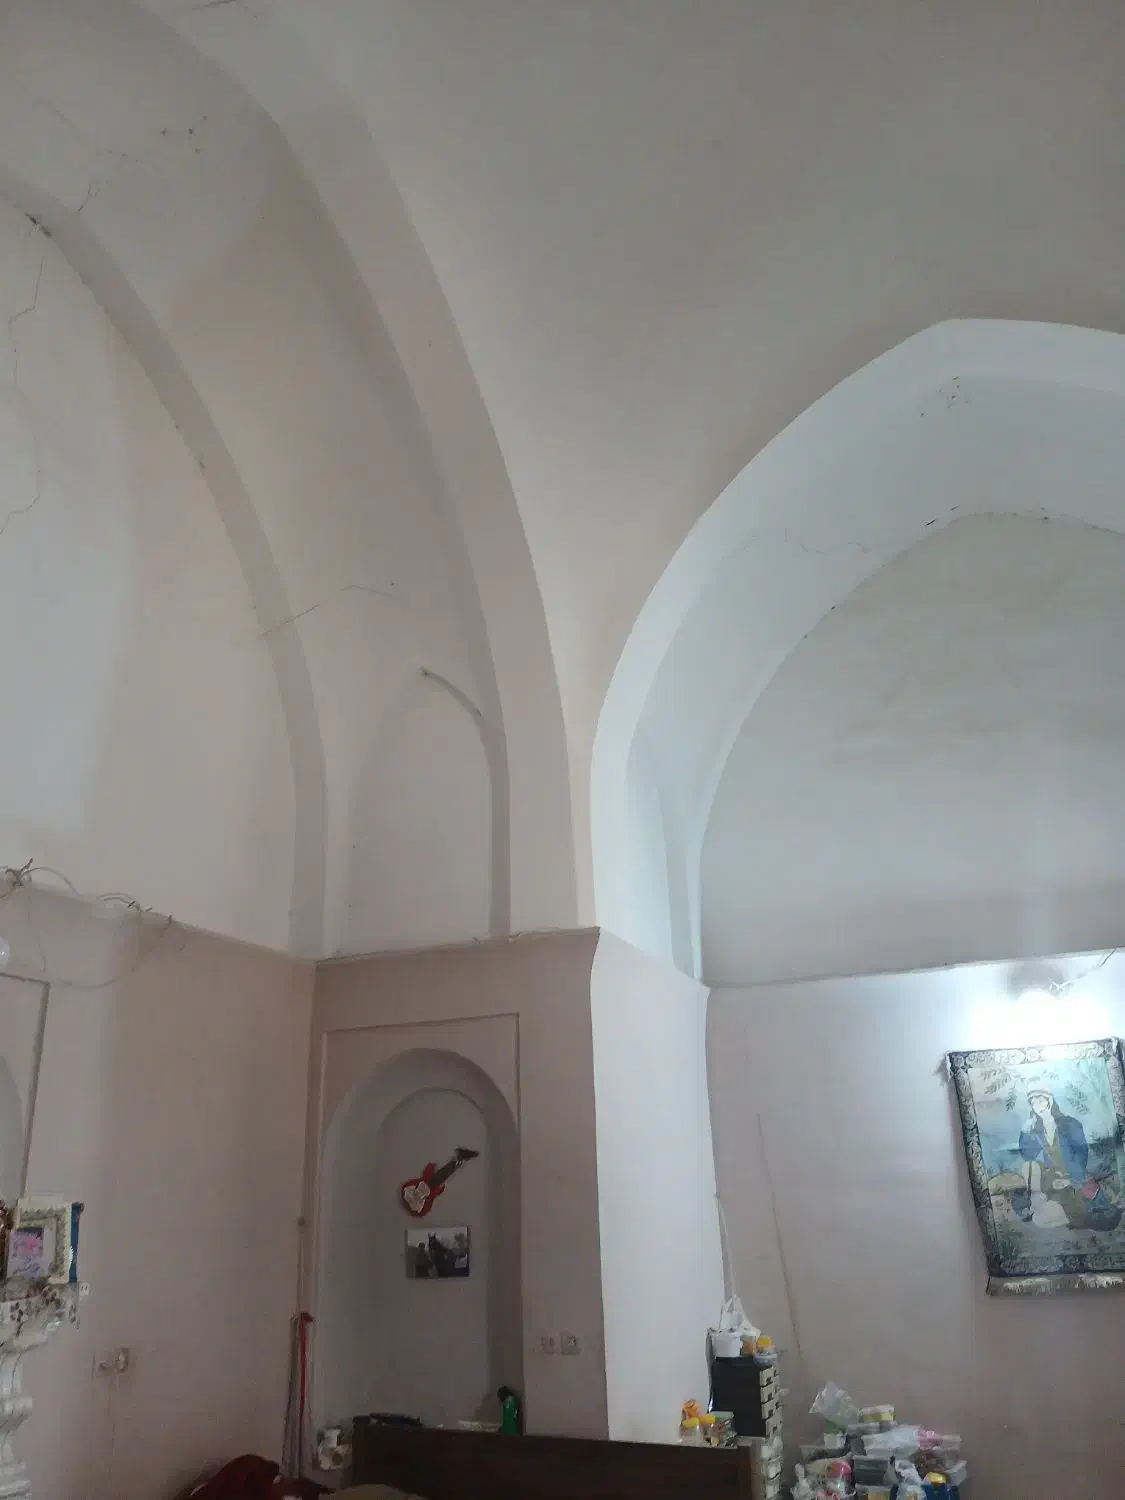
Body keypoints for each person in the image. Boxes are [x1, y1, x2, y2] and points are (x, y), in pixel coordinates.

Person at [1014, 1088, 1121, 1231]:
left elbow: (1081, 1153)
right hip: (1052, 1176)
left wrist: (1071, 1179)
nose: (1038, 1106)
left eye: (1040, 1101)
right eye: (1033, 1103)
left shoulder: (1070, 1124)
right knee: (1030, 1169)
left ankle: (1081, 1215)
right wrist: (1025, 1132)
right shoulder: (1037, 1130)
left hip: (1074, 1174)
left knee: (1082, 1198)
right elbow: (1028, 1155)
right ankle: (1049, 1209)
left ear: (1050, 1101)